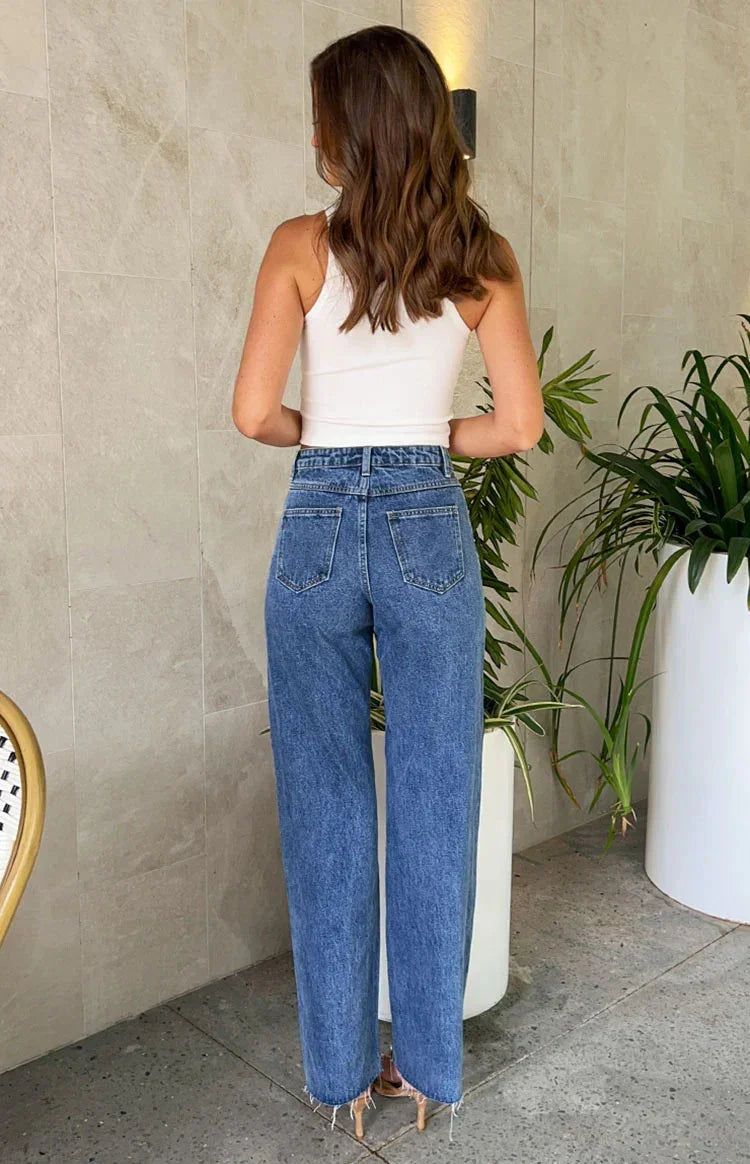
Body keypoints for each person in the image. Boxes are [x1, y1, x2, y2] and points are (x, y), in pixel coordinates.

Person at [231, 24, 544, 1143]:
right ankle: (430, 1072)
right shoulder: (483, 258)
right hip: (427, 523)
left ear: (349, 132)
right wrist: (423, 442)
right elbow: (518, 426)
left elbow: (252, 413)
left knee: (324, 802)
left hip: (318, 519)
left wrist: (328, 436)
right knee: (435, 795)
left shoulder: (298, 245)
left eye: (322, 116)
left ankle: (338, 1079)